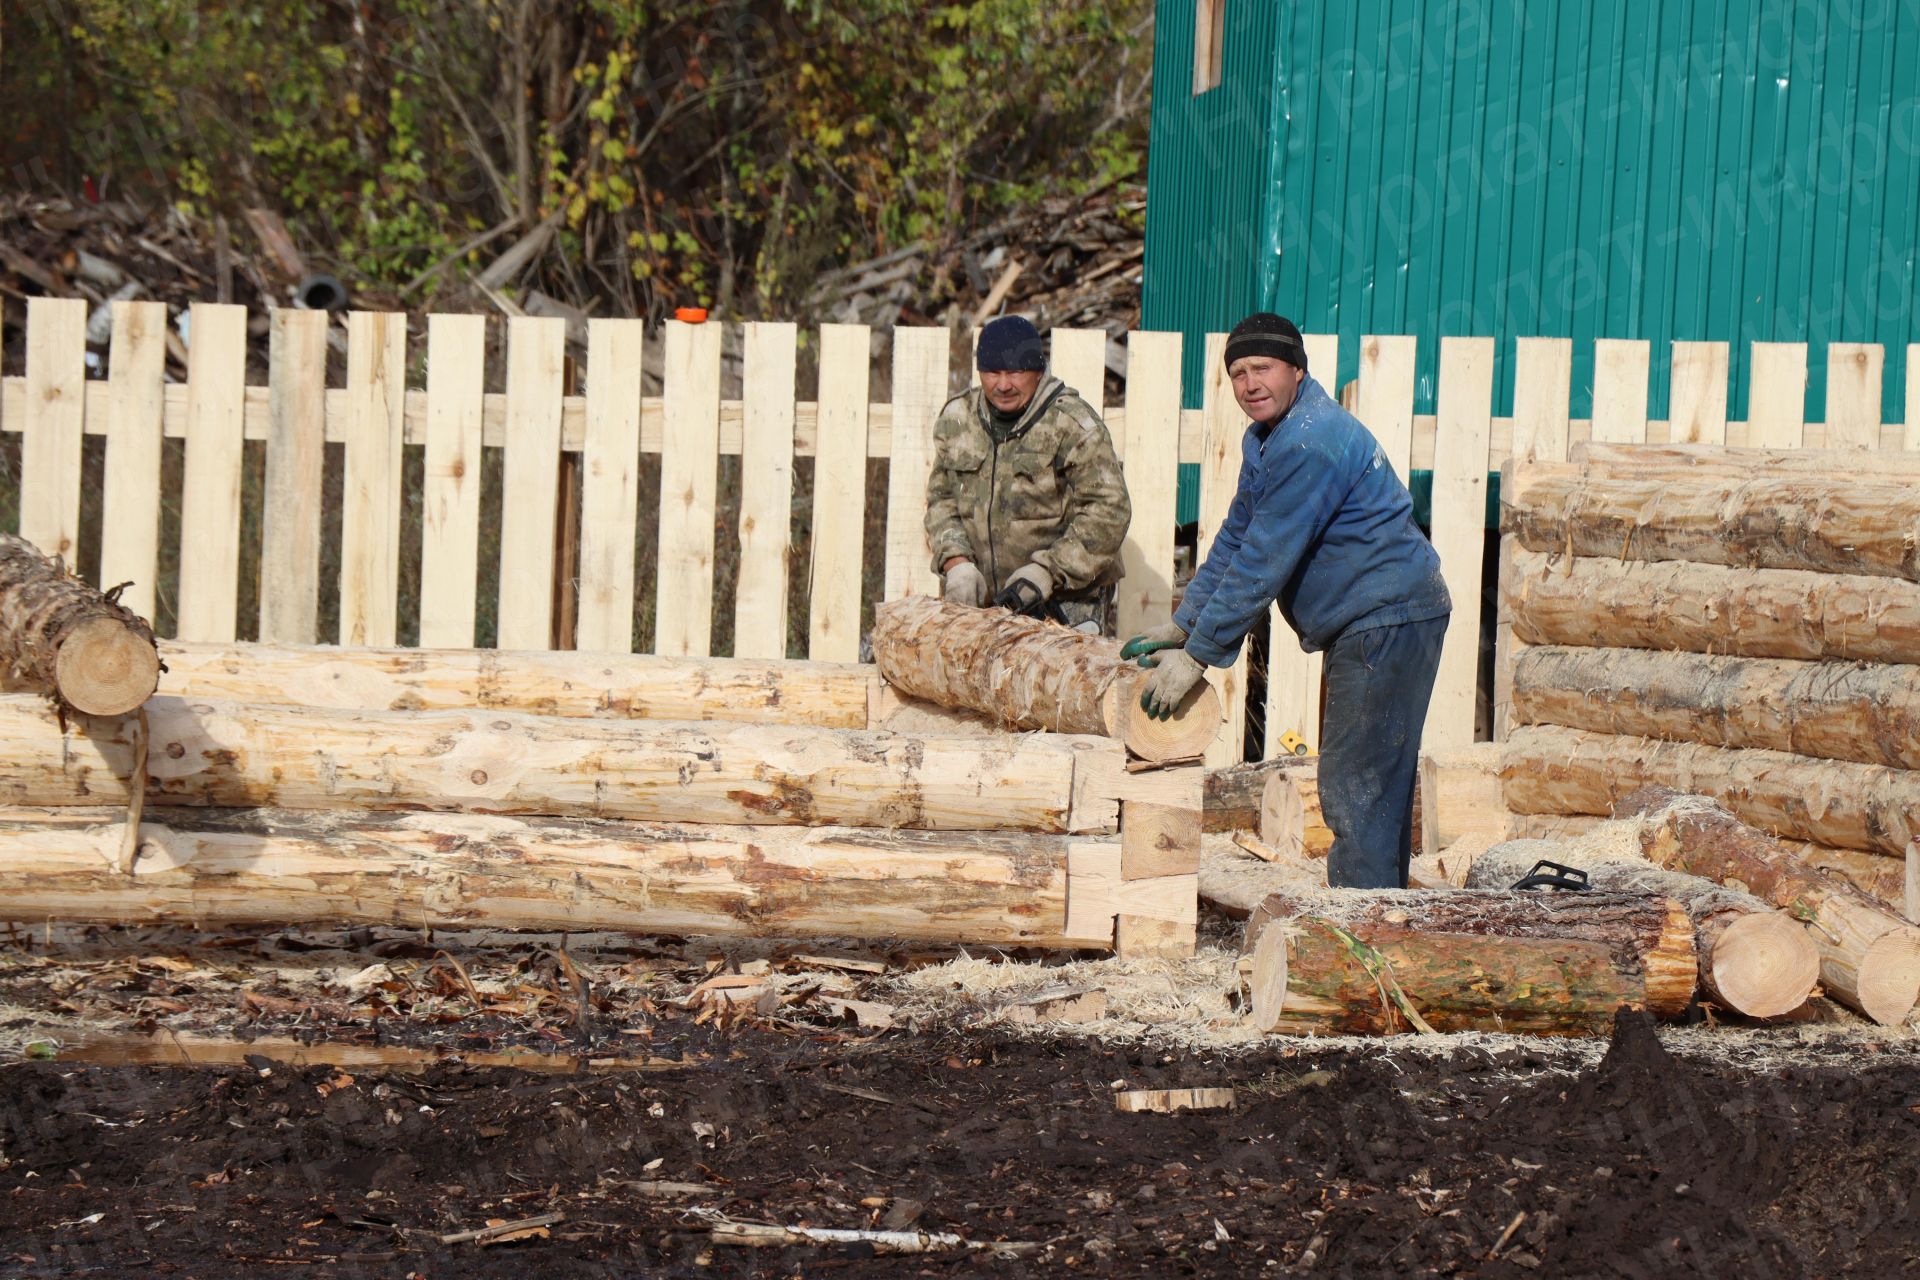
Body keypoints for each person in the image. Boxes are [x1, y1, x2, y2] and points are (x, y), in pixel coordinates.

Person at [1121, 313, 1451, 889]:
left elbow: (1263, 561)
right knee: (1371, 780)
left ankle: (1361, 931)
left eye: (1264, 369)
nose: (1250, 384)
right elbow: (1235, 539)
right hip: (1378, 614)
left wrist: (1199, 655)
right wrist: (1185, 624)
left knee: (1357, 782)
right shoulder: (1271, 437)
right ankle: (1386, 913)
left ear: (1297, 369)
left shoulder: (1308, 442)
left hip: (1389, 614)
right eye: (1239, 373)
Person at [924, 315, 1131, 634]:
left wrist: (1048, 570)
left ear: (1037, 370)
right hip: (988, 605)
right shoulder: (958, 420)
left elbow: (1109, 511)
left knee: (1065, 682)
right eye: (993, 372)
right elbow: (942, 500)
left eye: (1016, 372)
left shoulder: (1072, 425)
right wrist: (957, 563)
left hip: (1067, 601)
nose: (1003, 384)